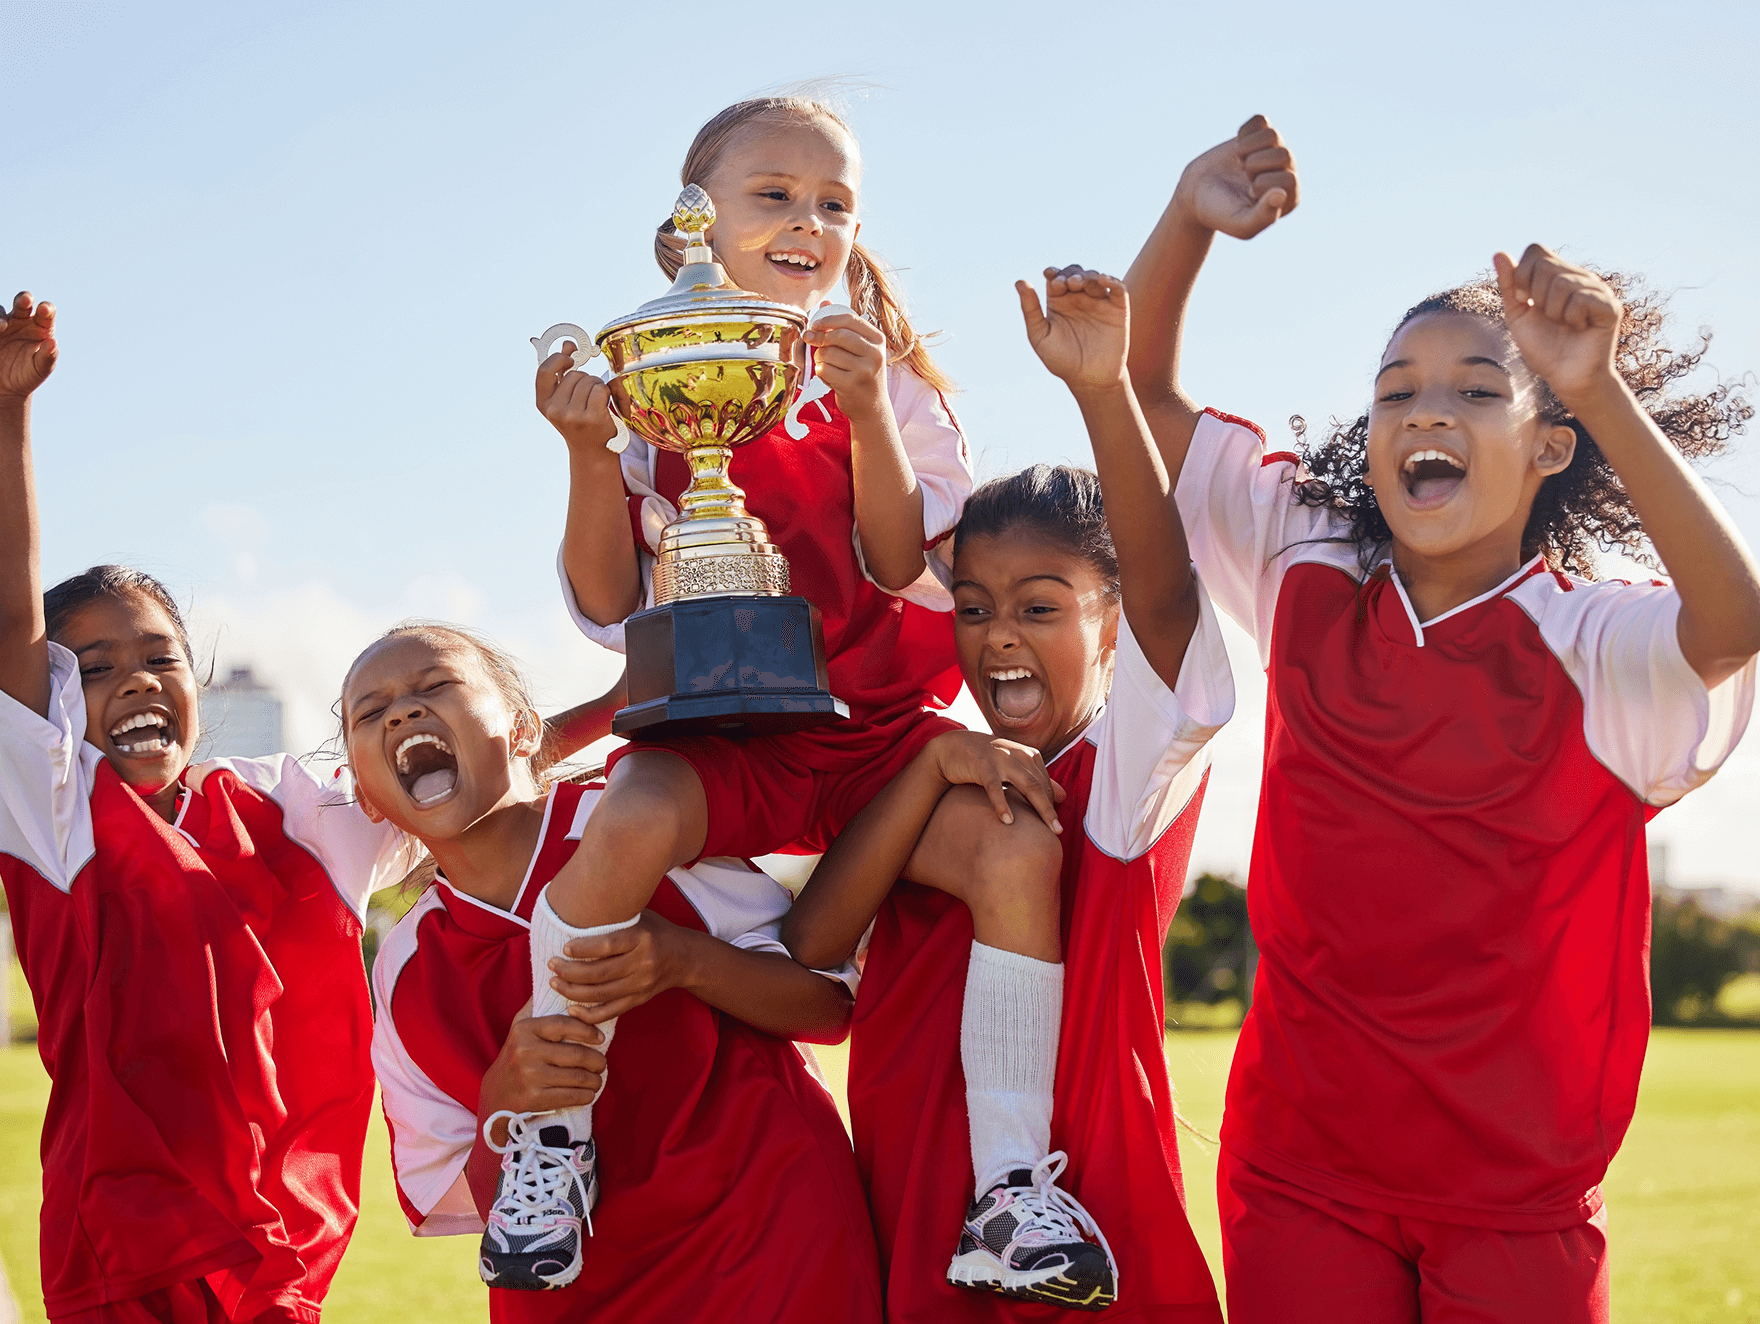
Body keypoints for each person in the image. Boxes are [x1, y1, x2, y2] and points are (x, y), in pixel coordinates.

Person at [1127, 118, 1760, 1322]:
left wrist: (1598, 384)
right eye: (1394, 392)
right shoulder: (1304, 560)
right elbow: (1143, 395)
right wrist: (1185, 219)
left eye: (1477, 390)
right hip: (1299, 1166)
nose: (1426, 411)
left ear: (1548, 448)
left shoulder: (1594, 643)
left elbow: (1731, 621)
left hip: (1515, 1192)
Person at [505, 93, 1086, 1290]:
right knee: (623, 823)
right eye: (773, 194)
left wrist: (867, 408)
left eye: (834, 203)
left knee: (1013, 843)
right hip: (725, 731)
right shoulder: (644, 372)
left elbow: (896, 559)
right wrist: (583, 452)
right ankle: (550, 1141)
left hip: (876, 732)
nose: (807, 220)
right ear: (693, 220)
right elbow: (610, 606)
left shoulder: (887, 380)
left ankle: (1010, 1188)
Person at [784, 262, 1235, 1319]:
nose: (997, 638)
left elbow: (1167, 596)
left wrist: (1102, 391)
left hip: (1073, 1203)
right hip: (911, 1190)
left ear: (1109, 622)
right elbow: (810, 946)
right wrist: (926, 767)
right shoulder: (938, 771)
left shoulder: (1126, 775)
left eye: (1040, 607)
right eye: (974, 608)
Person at [0, 290, 416, 1324]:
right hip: (127, 1251)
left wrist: (617, 703)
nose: (137, 680)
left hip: (285, 1257)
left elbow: (464, 784)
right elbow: (11, 633)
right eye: (95, 668)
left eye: (159, 657)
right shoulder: (56, 817)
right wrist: (9, 416)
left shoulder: (291, 808)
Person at [351, 622, 882, 1321]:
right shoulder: (405, 965)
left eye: (435, 684)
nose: (402, 712)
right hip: (574, 1293)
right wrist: (501, 1096)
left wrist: (683, 961)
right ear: (365, 796)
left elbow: (827, 1006)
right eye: (371, 711)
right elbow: (456, 1197)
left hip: (765, 1241)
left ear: (523, 730)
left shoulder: (637, 821)